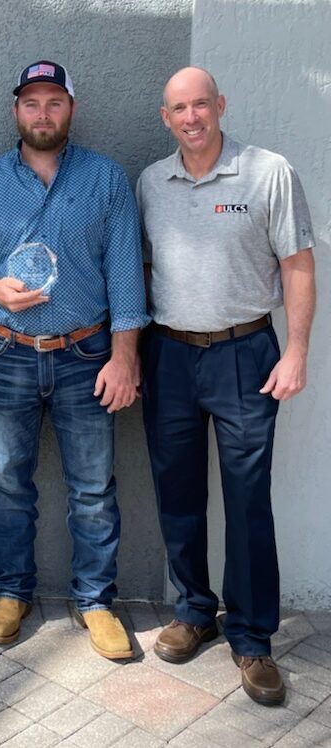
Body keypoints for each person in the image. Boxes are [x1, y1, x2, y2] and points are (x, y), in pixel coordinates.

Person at [0, 61, 149, 659]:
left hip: (87, 356)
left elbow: (125, 275)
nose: (42, 112)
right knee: (9, 482)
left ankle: (96, 602)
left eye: (53, 101)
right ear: (16, 111)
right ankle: (12, 593)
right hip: (6, 352)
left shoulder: (105, 178)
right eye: (31, 102)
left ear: (70, 109)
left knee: (93, 488)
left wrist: (124, 357)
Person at [137, 67, 315, 705]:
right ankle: (193, 611)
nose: (191, 117)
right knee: (178, 493)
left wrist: (295, 351)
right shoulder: (151, 183)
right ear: (166, 117)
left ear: (220, 106)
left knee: (247, 500)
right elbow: (146, 270)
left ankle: (253, 638)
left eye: (201, 105)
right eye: (179, 108)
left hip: (245, 355)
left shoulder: (269, 172)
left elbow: (298, 265)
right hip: (170, 356)